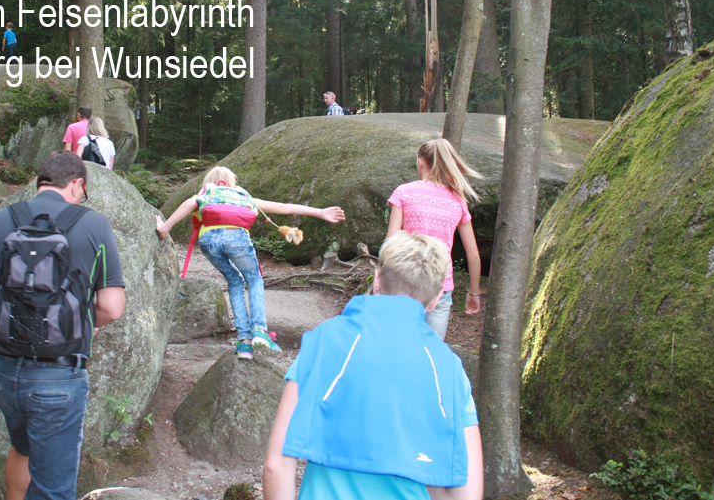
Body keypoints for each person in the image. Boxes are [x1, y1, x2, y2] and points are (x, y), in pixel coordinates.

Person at [263, 231, 484, 500]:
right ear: (436, 298)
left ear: (377, 280)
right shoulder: (449, 368)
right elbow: (465, 494)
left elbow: (277, 467)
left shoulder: (324, 341)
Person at [0, 151, 125, 500]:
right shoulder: (94, 225)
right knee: (53, 487)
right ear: (78, 184)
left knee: (22, 448)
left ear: (40, 182)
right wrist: (80, 322)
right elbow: (112, 309)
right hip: (58, 377)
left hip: (1, 370)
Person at [156, 166, 346, 359]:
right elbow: (284, 207)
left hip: (208, 242)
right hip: (236, 238)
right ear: (232, 182)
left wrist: (165, 228)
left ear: (209, 181)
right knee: (254, 280)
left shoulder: (207, 193)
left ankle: (245, 342)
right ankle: (259, 330)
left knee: (234, 282)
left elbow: (189, 203)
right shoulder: (243, 196)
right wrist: (321, 212)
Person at [386, 138, 483, 340]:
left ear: (421, 162)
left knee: (401, 345)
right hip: (440, 285)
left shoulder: (404, 192)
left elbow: (390, 243)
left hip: (406, 282)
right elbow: (473, 255)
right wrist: (474, 292)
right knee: (432, 352)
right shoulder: (457, 200)